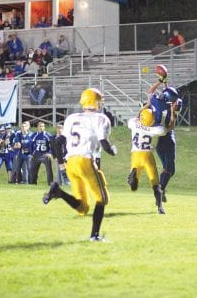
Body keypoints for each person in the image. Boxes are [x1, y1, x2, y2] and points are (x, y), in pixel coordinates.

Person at [43, 88, 117, 241]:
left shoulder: (72, 117)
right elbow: (104, 143)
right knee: (102, 199)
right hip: (85, 161)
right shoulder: (101, 118)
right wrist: (113, 151)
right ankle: (94, 236)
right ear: (96, 102)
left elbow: (57, 142)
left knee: (83, 208)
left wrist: (61, 163)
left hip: (71, 163)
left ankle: (59, 192)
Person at [127, 107, 176, 214]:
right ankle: (160, 208)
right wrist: (173, 112)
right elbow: (171, 127)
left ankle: (133, 175)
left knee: (133, 188)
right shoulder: (156, 130)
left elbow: (137, 116)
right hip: (147, 156)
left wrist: (144, 107)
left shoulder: (133, 123)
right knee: (155, 184)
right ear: (151, 120)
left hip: (135, 155)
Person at [145, 70, 182, 202]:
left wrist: (161, 82)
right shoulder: (170, 108)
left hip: (160, 142)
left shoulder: (156, 101)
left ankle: (161, 190)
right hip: (168, 139)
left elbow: (151, 92)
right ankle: (160, 191)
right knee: (170, 169)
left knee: (167, 170)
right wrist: (173, 112)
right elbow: (171, 126)